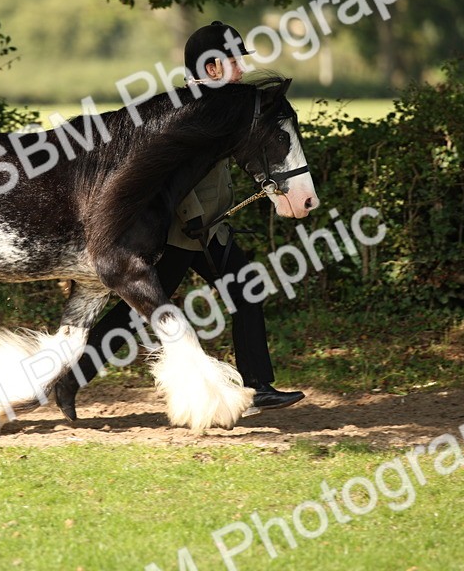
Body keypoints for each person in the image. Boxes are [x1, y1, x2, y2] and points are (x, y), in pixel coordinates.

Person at [53, 21, 306, 420]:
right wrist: (190, 218)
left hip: (212, 230)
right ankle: (69, 379)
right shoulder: (187, 111)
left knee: (247, 291)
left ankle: (257, 386)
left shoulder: (228, 108)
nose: (240, 70)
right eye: (233, 62)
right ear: (210, 68)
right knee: (130, 315)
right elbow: (165, 174)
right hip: (178, 234)